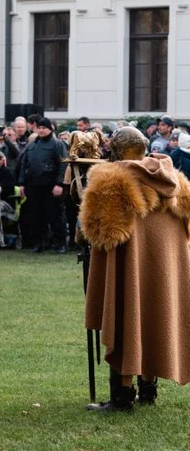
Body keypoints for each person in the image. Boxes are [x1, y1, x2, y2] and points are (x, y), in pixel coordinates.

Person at [80, 127, 190, 411]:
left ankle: (123, 396)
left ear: (116, 151)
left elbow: (97, 233)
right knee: (154, 317)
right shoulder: (174, 183)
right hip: (162, 272)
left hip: (129, 270)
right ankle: (148, 390)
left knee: (126, 315)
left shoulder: (112, 184)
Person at [16, 118, 68, 253]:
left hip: (51, 185)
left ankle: (61, 243)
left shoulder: (58, 144)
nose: (41, 130)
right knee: (36, 216)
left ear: (50, 129)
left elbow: (63, 164)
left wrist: (59, 184)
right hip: (33, 185)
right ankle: (40, 242)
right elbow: (24, 165)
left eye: (43, 128)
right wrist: (21, 183)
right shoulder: (32, 145)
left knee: (55, 215)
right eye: (39, 128)